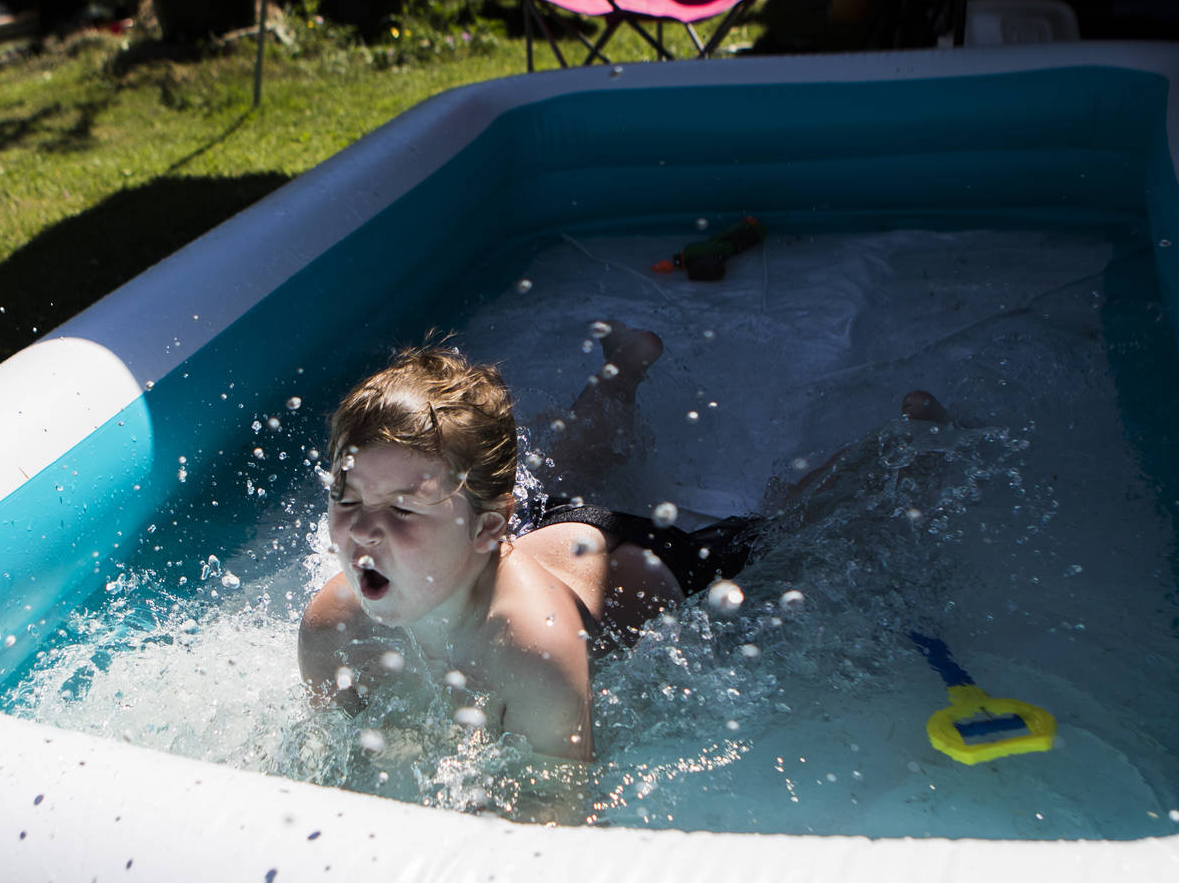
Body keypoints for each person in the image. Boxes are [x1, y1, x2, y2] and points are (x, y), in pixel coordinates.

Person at [296, 324, 942, 775]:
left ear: (490, 530)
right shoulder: (333, 627)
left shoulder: (532, 653)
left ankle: (897, 443)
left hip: (640, 564)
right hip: (538, 537)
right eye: (348, 500)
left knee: (784, 533)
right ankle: (622, 371)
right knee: (572, 467)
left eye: (403, 507)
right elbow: (330, 765)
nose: (364, 532)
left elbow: (554, 815)